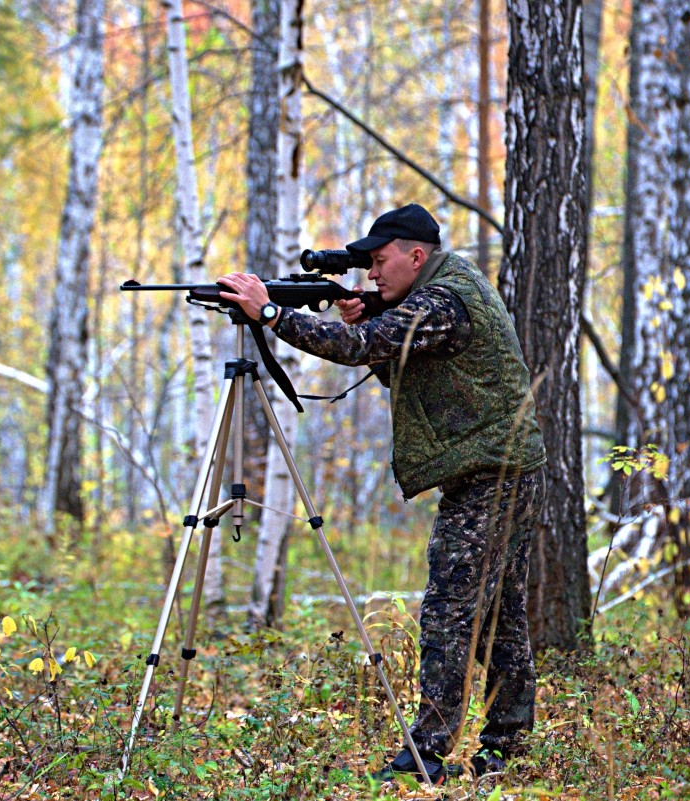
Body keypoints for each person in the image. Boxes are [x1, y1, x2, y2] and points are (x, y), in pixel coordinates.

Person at [218, 204, 547, 783]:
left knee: (450, 610)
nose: (371, 274)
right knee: (497, 613)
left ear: (415, 256)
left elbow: (357, 349)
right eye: (367, 264)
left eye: (379, 262)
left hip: (495, 473)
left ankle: (430, 751)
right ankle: (507, 744)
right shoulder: (441, 288)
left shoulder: (445, 301)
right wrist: (366, 313)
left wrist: (269, 313)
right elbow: (394, 352)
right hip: (498, 467)